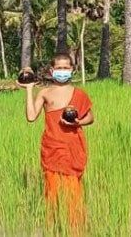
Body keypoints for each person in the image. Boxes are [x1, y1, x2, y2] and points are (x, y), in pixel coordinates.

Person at [18, 53, 94, 232]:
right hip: (52, 149)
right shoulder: (45, 93)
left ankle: (76, 230)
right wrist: (29, 90)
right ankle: (54, 228)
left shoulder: (80, 94)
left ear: (72, 70)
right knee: (52, 192)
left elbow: (90, 117)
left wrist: (78, 122)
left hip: (72, 149)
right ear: (52, 71)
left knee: (73, 193)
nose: (62, 71)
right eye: (59, 68)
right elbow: (31, 116)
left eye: (66, 68)